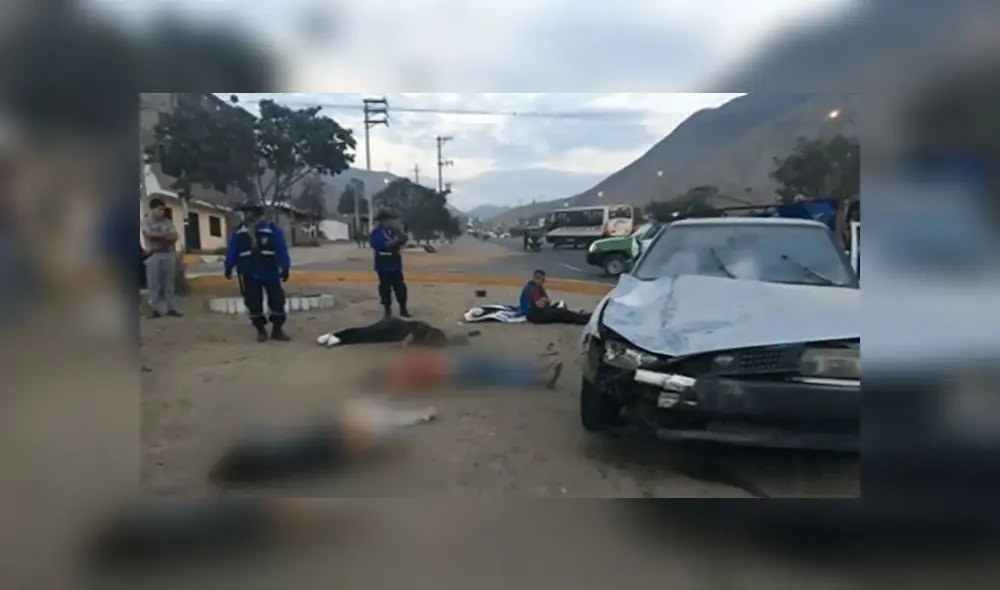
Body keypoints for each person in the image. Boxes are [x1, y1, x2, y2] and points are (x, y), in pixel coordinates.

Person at [208, 398, 437, 486]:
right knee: (363, 419)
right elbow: (350, 444)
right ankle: (416, 417)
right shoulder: (278, 450)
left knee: (363, 418)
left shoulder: (273, 449)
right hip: (329, 440)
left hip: (326, 439)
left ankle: (415, 417)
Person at [224, 203, 292, 342]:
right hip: (249, 273)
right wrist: (228, 266)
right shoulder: (239, 232)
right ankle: (261, 330)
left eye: (248, 213)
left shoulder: (272, 229)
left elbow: (281, 248)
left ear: (257, 214)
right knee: (253, 303)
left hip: (270, 272)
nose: (246, 216)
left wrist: (285, 267)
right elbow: (233, 250)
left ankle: (277, 330)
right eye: (245, 214)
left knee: (277, 301)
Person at [360, 349, 564, 393]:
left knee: (501, 373)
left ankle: (540, 373)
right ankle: (540, 372)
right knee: (500, 370)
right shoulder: (402, 372)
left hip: (457, 369)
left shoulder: (402, 370)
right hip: (456, 369)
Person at [141, 197, 182, 318]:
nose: (161, 212)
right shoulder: (146, 222)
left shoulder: (168, 222)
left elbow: (175, 236)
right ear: (152, 209)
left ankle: (171, 308)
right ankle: (155, 309)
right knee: (154, 283)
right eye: (159, 209)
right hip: (153, 254)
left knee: (169, 283)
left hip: (168, 254)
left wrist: (160, 237)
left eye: (163, 210)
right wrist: (166, 236)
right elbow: (149, 235)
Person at [317, 317, 471, 348]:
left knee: (365, 337)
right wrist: (406, 343)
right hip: (393, 326)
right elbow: (419, 328)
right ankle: (336, 336)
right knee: (366, 332)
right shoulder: (436, 335)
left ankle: (337, 338)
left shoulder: (436, 342)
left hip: (391, 333)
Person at [370, 209, 410, 318]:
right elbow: (377, 244)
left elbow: (403, 239)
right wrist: (392, 243)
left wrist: (401, 238)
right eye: (388, 220)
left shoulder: (395, 231)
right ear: (382, 221)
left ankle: (403, 308)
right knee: (385, 288)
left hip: (395, 264)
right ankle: (387, 310)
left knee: (400, 288)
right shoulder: (376, 232)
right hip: (383, 265)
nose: (390, 222)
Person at [519, 269, 591, 325]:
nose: (544, 282)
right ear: (536, 278)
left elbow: (547, 300)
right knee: (560, 312)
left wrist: (544, 300)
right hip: (535, 316)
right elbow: (540, 304)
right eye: (542, 280)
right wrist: (544, 300)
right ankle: (583, 319)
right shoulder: (532, 288)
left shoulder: (537, 287)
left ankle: (581, 317)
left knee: (560, 310)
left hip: (539, 312)